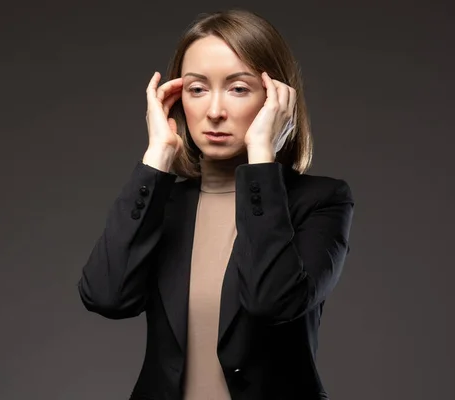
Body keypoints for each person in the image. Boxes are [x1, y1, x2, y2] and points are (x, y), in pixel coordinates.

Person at [77, 8, 354, 400]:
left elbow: (272, 300)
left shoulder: (321, 201)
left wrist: (262, 156)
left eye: (238, 88)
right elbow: (106, 296)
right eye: (197, 89)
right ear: (178, 100)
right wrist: (157, 155)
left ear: (277, 99)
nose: (215, 111)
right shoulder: (164, 203)